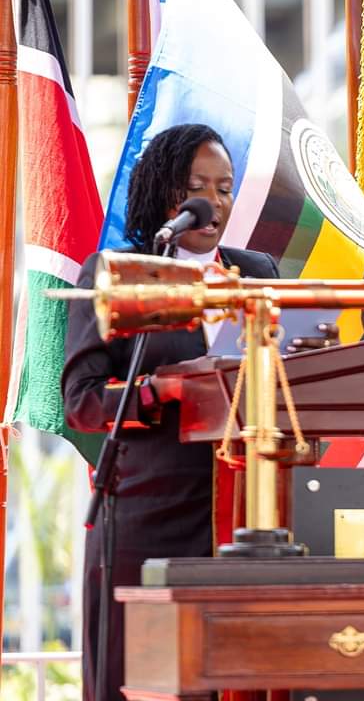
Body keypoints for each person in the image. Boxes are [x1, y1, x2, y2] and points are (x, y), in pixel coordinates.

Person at [63, 124, 280, 701]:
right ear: (167, 194)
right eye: (198, 188)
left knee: (233, 677)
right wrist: (162, 393)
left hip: (244, 518)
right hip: (146, 515)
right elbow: (82, 403)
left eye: (225, 188)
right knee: (137, 679)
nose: (215, 203)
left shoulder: (257, 272)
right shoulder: (116, 273)